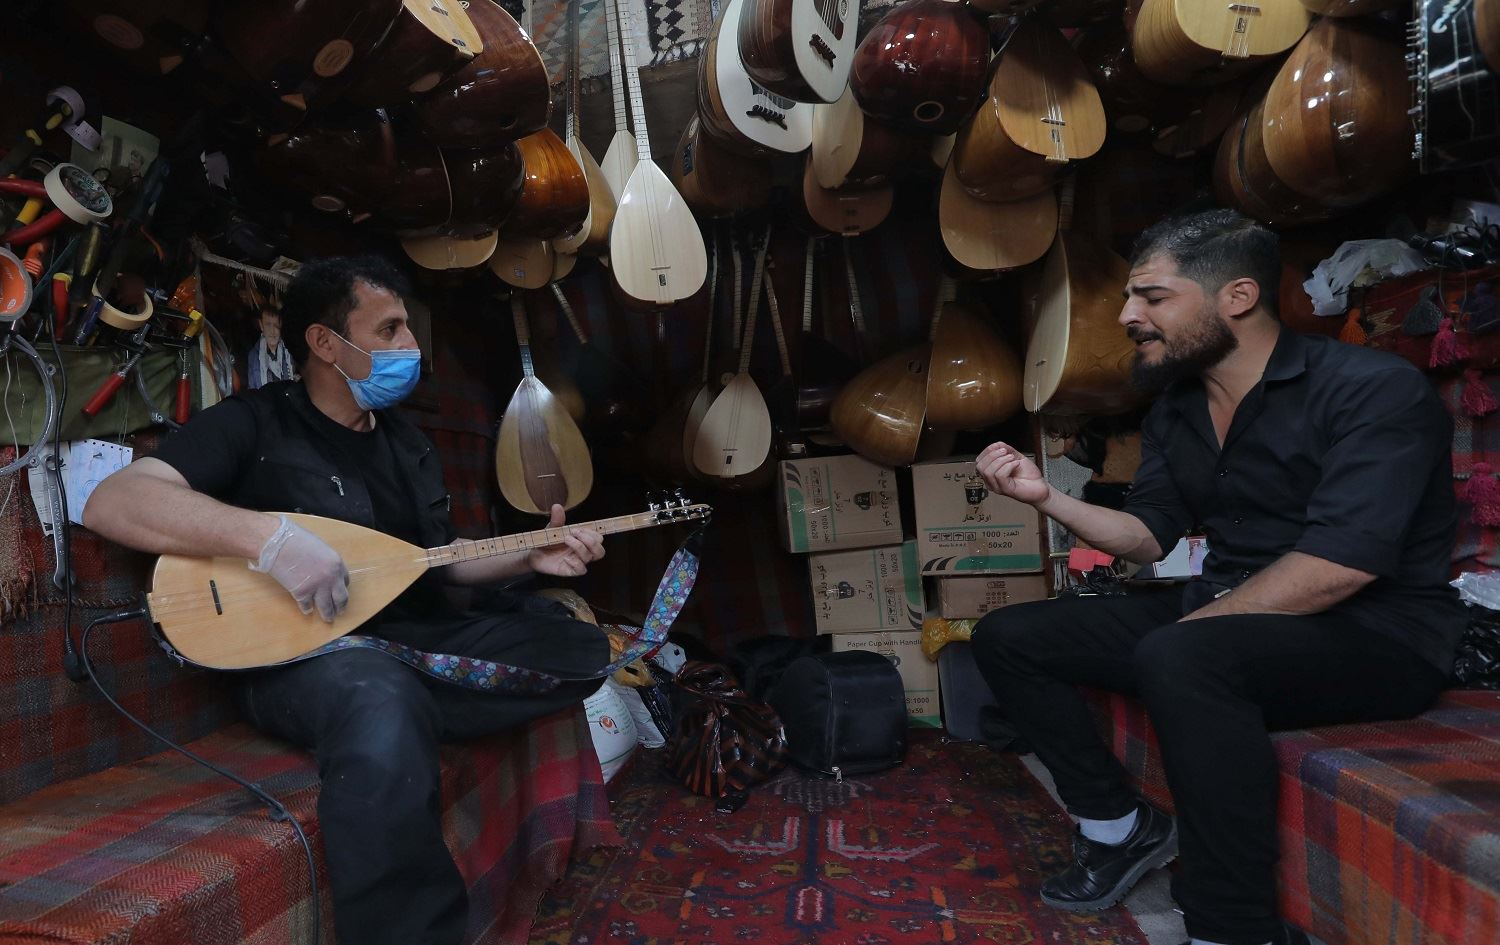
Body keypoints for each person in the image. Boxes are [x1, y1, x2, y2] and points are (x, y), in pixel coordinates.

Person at [969, 210, 1464, 945]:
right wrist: (1047, 497)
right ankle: (1120, 826)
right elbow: (1145, 537)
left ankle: (1231, 927)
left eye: (1153, 297)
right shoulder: (1178, 408)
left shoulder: (1372, 389)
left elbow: (1339, 566)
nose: (1130, 316)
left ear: (1236, 296)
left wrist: (1192, 630)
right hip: (1234, 614)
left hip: (1377, 634)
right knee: (1009, 634)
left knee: (1181, 651)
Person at [84, 256, 612, 945]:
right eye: (390, 330)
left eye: (409, 330)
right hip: (307, 661)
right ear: (326, 343)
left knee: (575, 645)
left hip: (414, 641)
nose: (411, 349)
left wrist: (528, 553)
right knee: (380, 699)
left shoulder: (407, 444)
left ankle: (425, 697)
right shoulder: (255, 422)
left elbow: (437, 568)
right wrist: (267, 538)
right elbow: (113, 500)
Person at [245, 305, 298, 389]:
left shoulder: (290, 350)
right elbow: (252, 389)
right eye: (268, 325)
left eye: (276, 325)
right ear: (261, 325)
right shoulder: (253, 355)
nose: (272, 331)